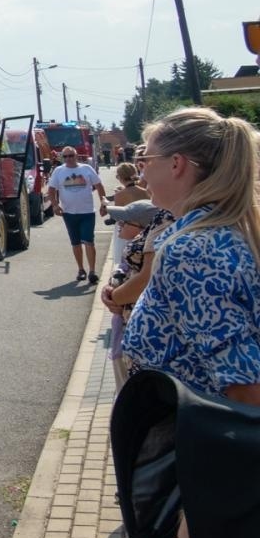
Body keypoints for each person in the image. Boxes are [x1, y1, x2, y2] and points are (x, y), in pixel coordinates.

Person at [121, 107, 260, 406]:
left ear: (176, 164)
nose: (141, 172)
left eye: (145, 160)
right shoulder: (220, 230)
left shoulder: (192, 251)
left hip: (209, 446)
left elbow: (245, 387)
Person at [100, 199, 173, 389]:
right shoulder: (141, 241)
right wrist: (110, 290)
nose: (119, 225)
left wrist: (114, 297)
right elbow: (123, 272)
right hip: (126, 328)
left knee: (129, 391)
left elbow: (143, 281)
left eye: (125, 222)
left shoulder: (162, 227)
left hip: (137, 337)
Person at [47, 146, 109, 284]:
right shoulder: (59, 171)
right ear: (62, 158)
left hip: (87, 212)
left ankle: (92, 271)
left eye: (71, 156)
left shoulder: (86, 169)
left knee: (89, 241)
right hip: (69, 213)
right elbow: (51, 190)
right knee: (75, 243)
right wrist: (55, 205)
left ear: (76, 156)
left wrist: (103, 204)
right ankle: (81, 270)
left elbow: (99, 186)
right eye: (65, 156)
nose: (68, 159)